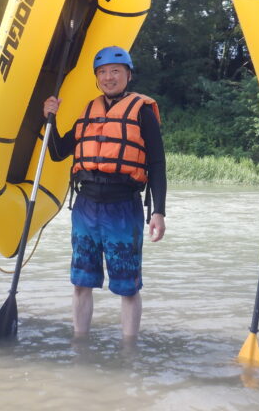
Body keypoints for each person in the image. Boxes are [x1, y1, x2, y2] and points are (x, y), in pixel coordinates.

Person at [42, 45, 167, 341]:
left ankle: (129, 348)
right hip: (86, 206)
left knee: (128, 285)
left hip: (123, 206)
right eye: (103, 73)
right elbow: (59, 151)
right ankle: (80, 343)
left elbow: (157, 163)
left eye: (115, 71)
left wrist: (158, 211)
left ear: (128, 74)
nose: (109, 77)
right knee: (81, 282)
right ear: (97, 78)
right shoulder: (89, 110)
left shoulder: (143, 110)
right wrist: (48, 119)